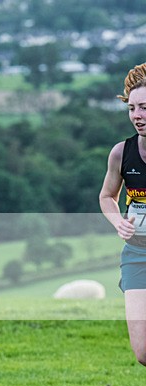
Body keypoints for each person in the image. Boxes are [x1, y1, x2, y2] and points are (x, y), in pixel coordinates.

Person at [101, 62, 146, 369]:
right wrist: (118, 221)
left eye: (144, 108)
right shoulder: (121, 153)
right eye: (132, 109)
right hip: (137, 256)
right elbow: (107, 196)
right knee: (143, 352)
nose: (137, 116)